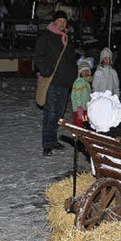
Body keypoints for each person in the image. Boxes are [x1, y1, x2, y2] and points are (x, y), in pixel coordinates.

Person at [34, 10, 76, 157]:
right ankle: (47, 144)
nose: (61, 24)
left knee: (59, 114)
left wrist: (73, 77)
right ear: (54, 22)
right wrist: (46, 71)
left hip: (64, 82)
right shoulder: (46, 37)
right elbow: (38, 56)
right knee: (50, 113)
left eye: (64, 22)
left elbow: (71, 61)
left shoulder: (67, 39)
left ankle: (53, 140)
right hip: (51, 81)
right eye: (59, 21)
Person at [71, 57, 94, 127]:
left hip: (86, 108)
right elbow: (77, 96)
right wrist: (79, 107)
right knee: (79, 123)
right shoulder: (78, 82)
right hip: (79, 109)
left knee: (85, 123)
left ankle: (83, 136)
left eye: (87, 71)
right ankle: (77, 136)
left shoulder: (87, 82)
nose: (86, 72)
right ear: (80, 72)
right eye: (84, 71)